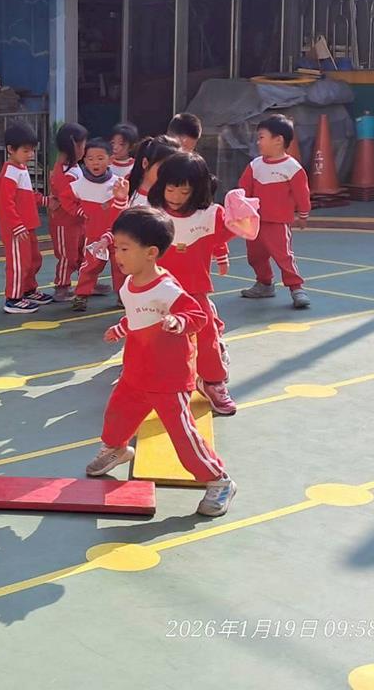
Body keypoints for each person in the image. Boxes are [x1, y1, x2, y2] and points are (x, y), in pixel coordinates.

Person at [85, 206, 237, 517]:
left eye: (124, 249)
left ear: (151, 253)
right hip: (136, 372)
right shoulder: (129, 284)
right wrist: (121, 329)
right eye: (116, 248)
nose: (117, 255)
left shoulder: (166, 288)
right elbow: (138, 316)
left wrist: (179, 322)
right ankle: (116, 449)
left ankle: (219, 480)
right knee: (117, 416)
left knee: (183, 436)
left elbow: (196, 315)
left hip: (168, 378)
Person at [147, 152, 254, 416]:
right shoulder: (152, 213)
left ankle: (212, 382)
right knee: (149, 338)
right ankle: (143, 379)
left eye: (184, 191)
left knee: (207, 338)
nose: (175, 196)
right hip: (156, 292)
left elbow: (238, 230)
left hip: (194, 292)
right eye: (170, 188)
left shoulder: (210, 215)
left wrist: (241, 210)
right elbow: (129, 236)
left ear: (197, 190)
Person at [238, 114, 311, 309]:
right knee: (255, 256)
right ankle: (264, 284)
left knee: (283, 256)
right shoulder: (255, 165)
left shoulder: (292, 168)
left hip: (277, 222)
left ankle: (296, 288)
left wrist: (303, 214)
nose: (258, 142)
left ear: (278, 140)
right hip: (254, 222)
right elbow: (243, 189)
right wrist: (239, 208)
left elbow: (302, 194)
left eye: (261, 137)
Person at [0, 121, 54, 314]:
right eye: (26, 151)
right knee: (19, 263)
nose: (31, 155)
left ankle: (28, 289)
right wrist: (16, 225)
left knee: (33, 259)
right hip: (17, 229)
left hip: (27, 225)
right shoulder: (10, 172)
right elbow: (5, 203)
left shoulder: (20, 168)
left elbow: (26, 195)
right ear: (11, 149)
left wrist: (44, 200)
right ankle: (13, 298)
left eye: (32, 150)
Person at [70, 138, 129, 312]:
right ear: (84, 161)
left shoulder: (118, 183)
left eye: (100, 158)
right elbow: (66, 199)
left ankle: (123, 296)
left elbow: (123, 208)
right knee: (90, 266)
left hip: (118, 236)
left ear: (110, 160)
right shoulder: (79, 184)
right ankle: (81, 295)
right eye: (90, 158)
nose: (95, 162)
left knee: (121, 267)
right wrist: (79, 211)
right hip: (94, 235)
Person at [48, 123, 88, 302]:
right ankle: (62, 286)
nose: (84, 150)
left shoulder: (73, 167)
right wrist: (82, 210)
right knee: (67, 255)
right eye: (83, 145)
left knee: (81, 252)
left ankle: (86, 281)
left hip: (77, 221)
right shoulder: (64, 172)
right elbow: (66, 201)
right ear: (75, 146)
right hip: (65, 222)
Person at [128, 134, 180, 208]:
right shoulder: (122, 188)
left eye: (173, 168)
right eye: (162, 166)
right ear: (145, 163)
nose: (168, 172)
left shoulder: (174, 201)